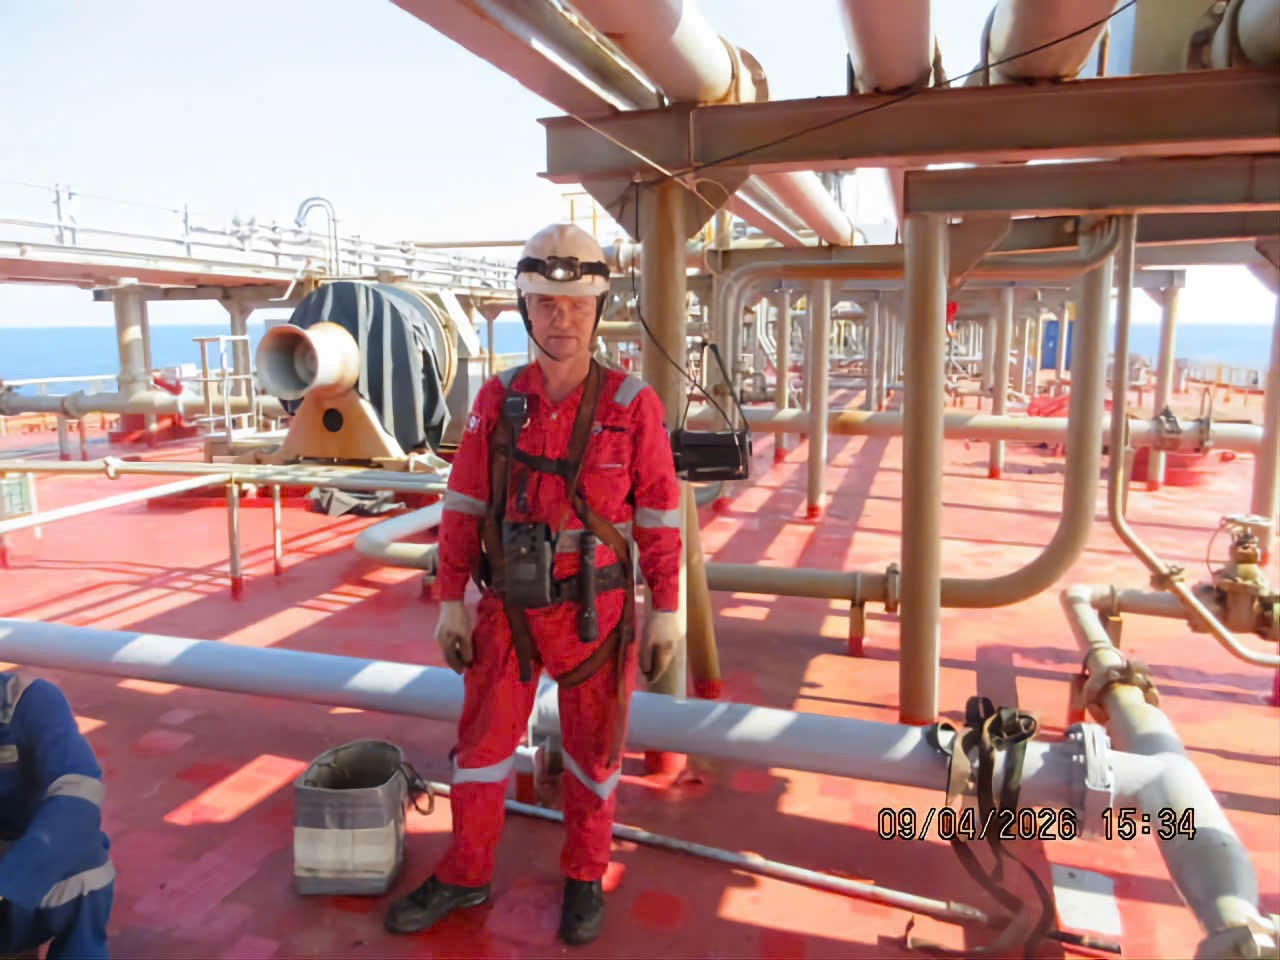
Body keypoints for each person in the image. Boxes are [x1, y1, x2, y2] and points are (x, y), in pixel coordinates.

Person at [385, 223, 682, 946]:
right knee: (481, 751)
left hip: (595, 612)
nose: (562, 319)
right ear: (525, 307)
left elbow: (659, 513)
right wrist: (451, 601)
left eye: (577, 304)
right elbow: (464, 505)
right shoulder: (496, 400)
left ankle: (585, 875)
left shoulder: (632, 404)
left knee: (594, 754)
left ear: (599, 308)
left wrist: (668, 609)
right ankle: (466, 871)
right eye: (547, 303)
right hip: (509, 608)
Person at [0, 672, 114, 960]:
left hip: (25, 857)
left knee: (86, 866)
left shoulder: (31, 701)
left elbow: (79, 792)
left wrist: (10, 882)